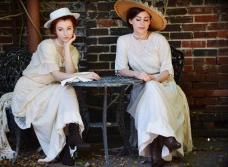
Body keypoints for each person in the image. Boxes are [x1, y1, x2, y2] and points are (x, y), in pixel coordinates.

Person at [10, 8, 100, 166]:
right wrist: (84, 75)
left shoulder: (72, 50)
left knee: (67, 89)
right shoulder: (47, 46)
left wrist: (66, 47)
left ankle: (70, 143)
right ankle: (73, 137)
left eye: (69, 28)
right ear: (54, 31)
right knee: (66, 90)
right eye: (60, 29)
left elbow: (70, 74)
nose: (65, 33)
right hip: (30, 90)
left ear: (74, 29)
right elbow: (57, 76)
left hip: (51, 89)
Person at [114, 0, 193, 166]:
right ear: (130, 20)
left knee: (152, 88)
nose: (142, 23)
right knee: (149, 92)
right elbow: (121, 69)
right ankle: (166, 138)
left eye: (146, 19)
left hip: (164, 85)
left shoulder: (159, 40)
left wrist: (155, 80)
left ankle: (156, 154)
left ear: (150, 21)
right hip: (140, 85)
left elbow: (167, 70)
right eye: (138, 19)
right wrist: (138, 74)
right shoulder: (124, 41)